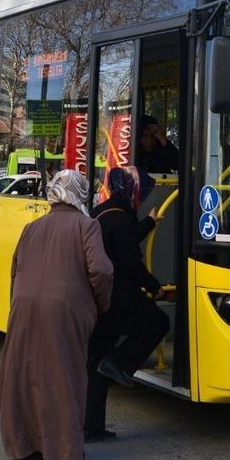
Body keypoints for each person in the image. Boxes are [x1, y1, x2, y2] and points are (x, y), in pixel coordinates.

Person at [0, 170, 113, 460]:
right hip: (65, 309)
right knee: (64, 375)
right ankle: (63, 450)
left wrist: (16, 305)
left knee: (24, 374)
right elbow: (101, 271)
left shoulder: (31, 227)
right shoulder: (87, 226)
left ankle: (23, 448)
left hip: (24, 307)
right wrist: (99, 304)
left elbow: (15, 269)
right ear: (80, 193)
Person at [85, 166, 170, 443]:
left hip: (95, 296)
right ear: (131, 191)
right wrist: (156, 288)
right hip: (117, 296)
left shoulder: (101, 212)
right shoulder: (121, 219)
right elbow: (131, 262)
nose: (142, 198)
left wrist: (149, 222)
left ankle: (91, 427)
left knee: (96, 362)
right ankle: (119, 363)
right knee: (158, 323)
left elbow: (124, 240)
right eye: (141, 193)